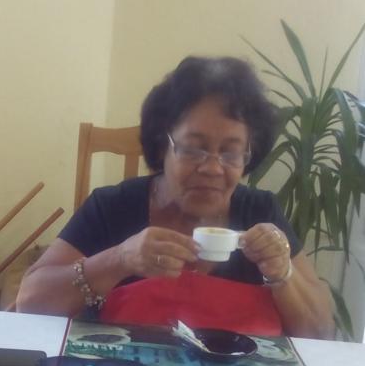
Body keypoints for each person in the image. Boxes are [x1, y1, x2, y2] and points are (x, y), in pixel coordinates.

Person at [17, 56, 333, 339]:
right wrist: (120, 259)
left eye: (231, 152)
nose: (212, 168)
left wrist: (282, 274)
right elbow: (29, 303)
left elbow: (320, 332)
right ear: (161, 146)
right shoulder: (113, 206)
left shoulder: (260, 213)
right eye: (193, 148)